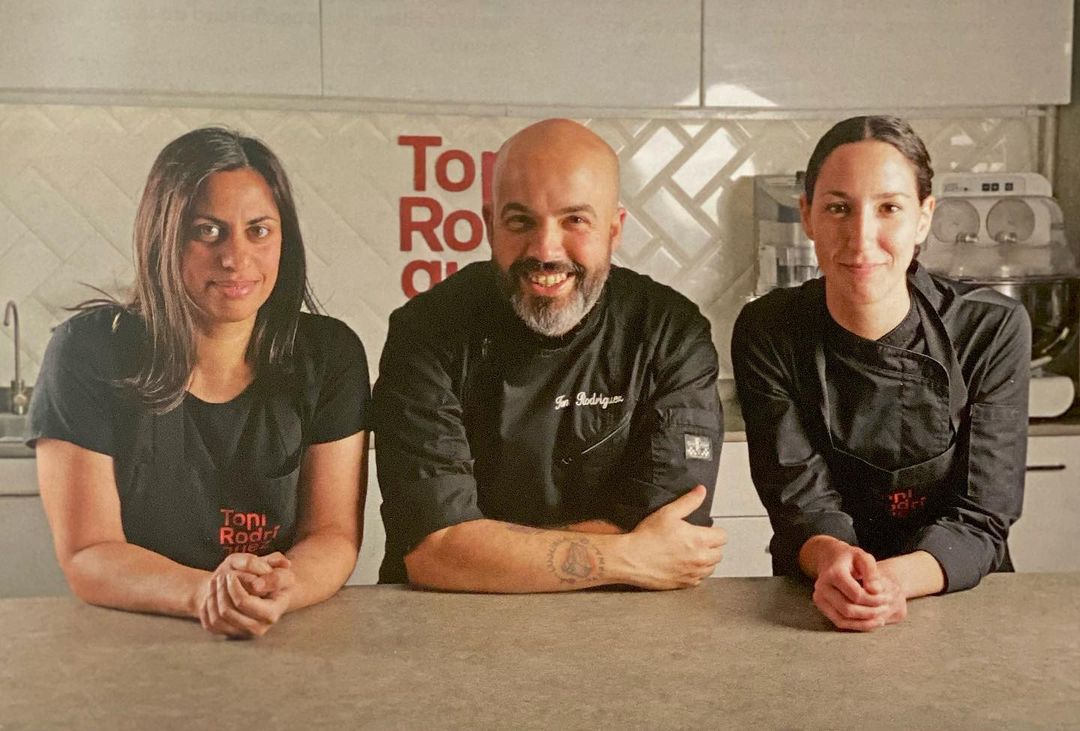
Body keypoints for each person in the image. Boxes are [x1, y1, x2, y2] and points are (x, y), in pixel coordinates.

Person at [29, 127, 370, 638]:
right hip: (136, 637)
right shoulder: (88, 351)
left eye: (259, 230)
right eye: (207, 231)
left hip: (273, 630)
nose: (236, 258)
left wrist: (281, 589)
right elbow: (89, 552)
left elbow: (332, 534)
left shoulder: (329, 355)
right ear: (163, 237)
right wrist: (206, 593)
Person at [373, 118, 726, 592]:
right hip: (449, 621)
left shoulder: (669, 333)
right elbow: (435, 552)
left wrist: (486, 552)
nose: (545, 249)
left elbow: (674, 527)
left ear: (614, 230)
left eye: (575, 220)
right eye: (520, 221)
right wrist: (630, 555)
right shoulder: (426, 330)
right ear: (490, 226)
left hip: (623, 620)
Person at [732, 115, 1030, 631]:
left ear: (924, 217)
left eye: (889, 208)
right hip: (817, 602)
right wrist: (837, 566)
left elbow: (982, 517)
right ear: (807, 216)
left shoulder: (991, 328)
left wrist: (890, 582)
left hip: (955, 602)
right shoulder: (769, 329)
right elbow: (800, 506)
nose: (861, 238)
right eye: (838, 208)